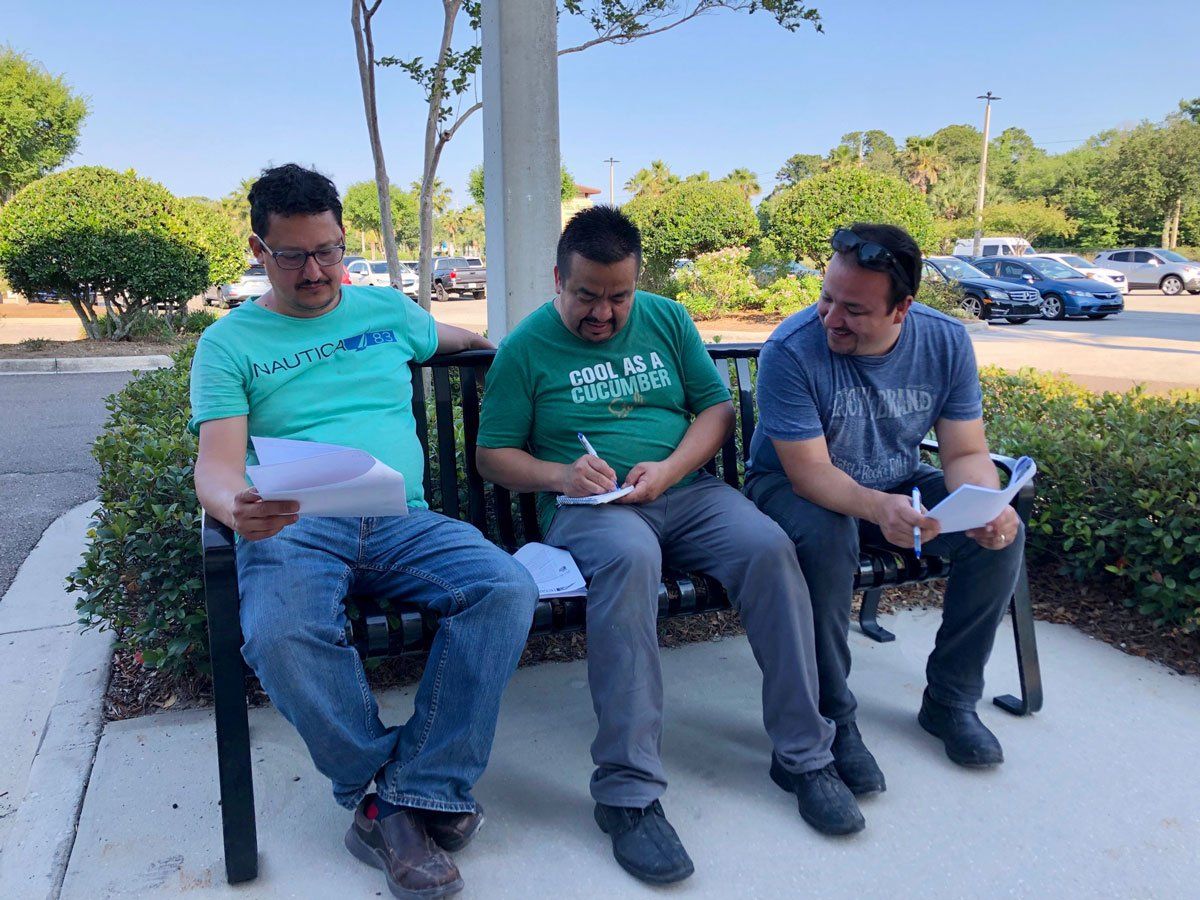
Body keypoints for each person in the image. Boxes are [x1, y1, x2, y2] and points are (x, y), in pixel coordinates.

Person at [475, 206, 863, 886]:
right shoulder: (526, 348)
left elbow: (715, 409)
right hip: (592, 510)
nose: (604, 314)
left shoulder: (667, 319)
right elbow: (493, 456)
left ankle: (805, 754)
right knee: (631, 561)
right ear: (558, 280)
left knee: (769, 548)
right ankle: (627, 794)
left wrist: (671, 469)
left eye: (619, 296)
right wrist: (561, 475)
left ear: (637, 283)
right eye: (587, 296)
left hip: (684, 491)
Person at [189, 163, 538, 900]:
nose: (317, 272)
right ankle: (388, 797)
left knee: (505, 587)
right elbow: (215, 464)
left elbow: (462, 338)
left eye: (329, 251)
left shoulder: (386, 310)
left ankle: (411, 792)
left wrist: (512, 354)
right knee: (281, 633)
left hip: (401, 518)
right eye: (293, 256)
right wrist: (234, 506)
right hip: (294, 522)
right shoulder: (229, 343)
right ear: (258, 249)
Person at [744, 222, 1026, 793]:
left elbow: (965, 452)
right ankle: (833, 718)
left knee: (1000, 536)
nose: (831, 318)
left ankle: (950, 700)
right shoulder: (791, 350)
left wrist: (986, 503)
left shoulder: (945, 341)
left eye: (854, 309)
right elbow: (809, 473)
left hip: (896, 485)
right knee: (827, 540)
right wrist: (880, 508)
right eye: (826, 298)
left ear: (902, 309)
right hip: (790, 489)